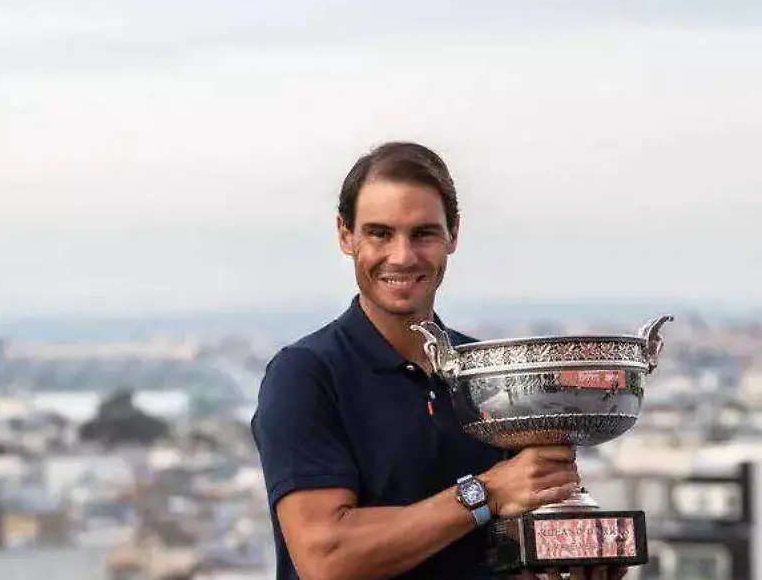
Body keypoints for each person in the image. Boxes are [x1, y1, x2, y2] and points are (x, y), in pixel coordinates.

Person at [250, 142, 626, 580]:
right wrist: (486, 493)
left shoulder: (490, 374)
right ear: (345, 235)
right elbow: (327, 556)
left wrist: (575, 561)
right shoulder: (306, 375)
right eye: (379, 233)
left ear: (453, 235)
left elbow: (512, 547)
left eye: (423, 233)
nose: (402, 256)